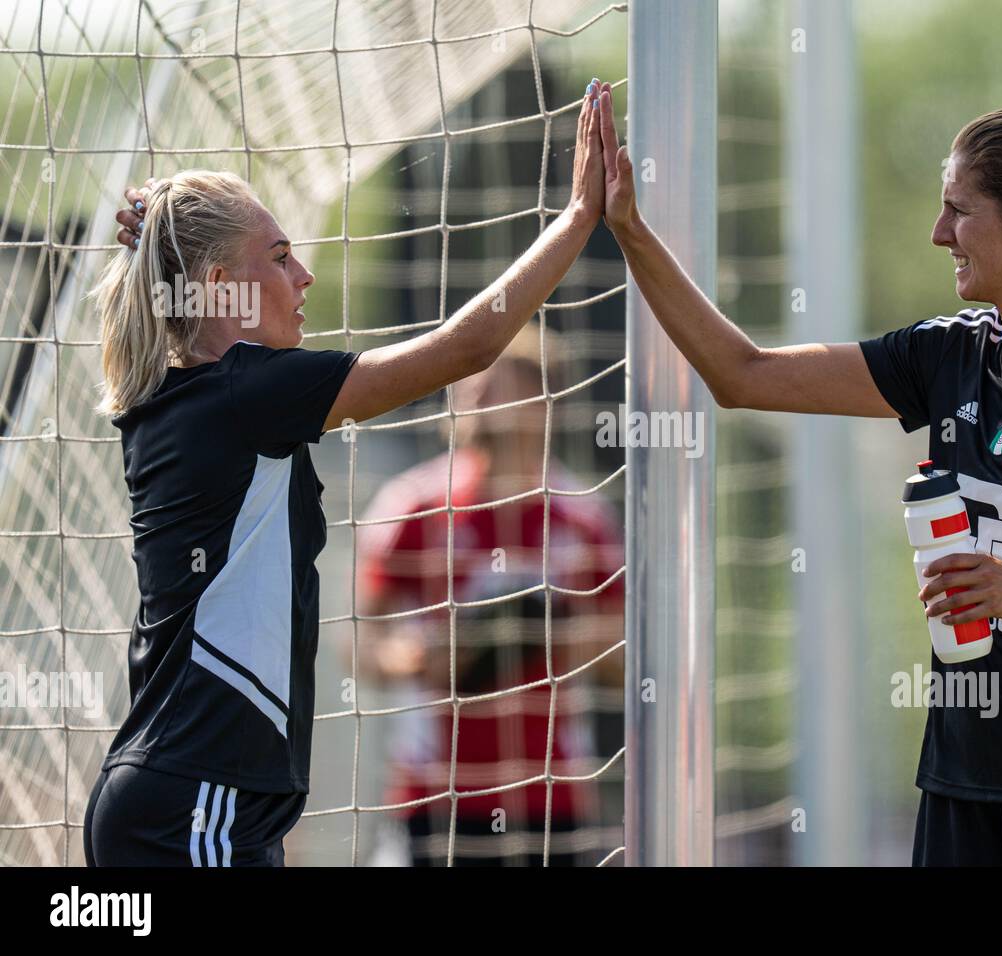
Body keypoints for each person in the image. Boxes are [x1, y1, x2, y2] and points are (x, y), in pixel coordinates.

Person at [591, 85, 1002, 867]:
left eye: (959, 209)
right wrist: (628, 232)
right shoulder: (946, 356)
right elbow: (744, 374)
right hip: (962, 783)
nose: (939, 233)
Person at [82, 78, 609, 867]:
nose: (306, 277)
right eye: (282, 256)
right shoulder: (247, 390)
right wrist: (576, 220)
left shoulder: (197, 391)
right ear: (221, 286)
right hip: (199, 802)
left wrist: (169, 234)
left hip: (194, 800)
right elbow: (463, 350)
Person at [352, 324, 624, 866]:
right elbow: (358, 645)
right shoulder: (413, 508)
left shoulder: (584, 518)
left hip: (551, 793)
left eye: (493, 383)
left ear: (541, 401)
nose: (470, 395)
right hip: (435, 792)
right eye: (465, 383)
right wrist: (418, 659)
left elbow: (622, 653)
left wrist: (538, 638)